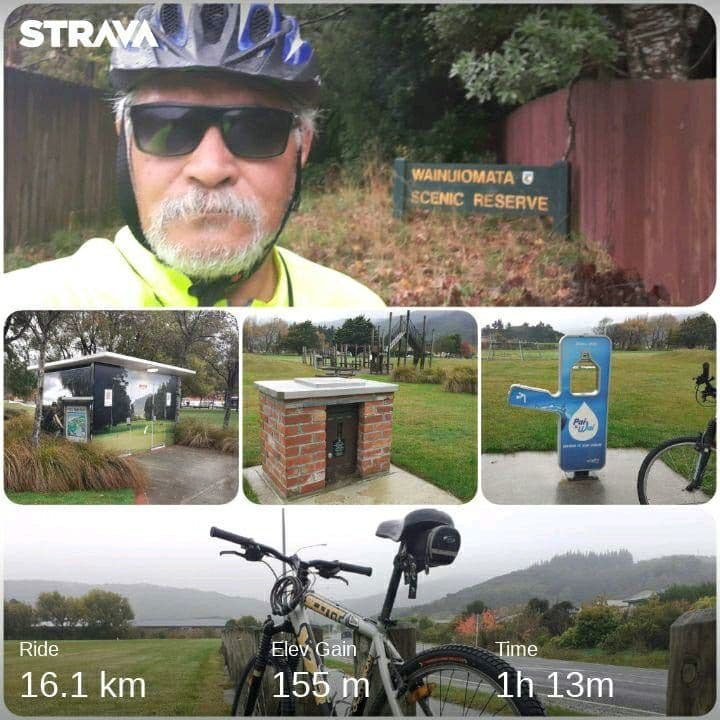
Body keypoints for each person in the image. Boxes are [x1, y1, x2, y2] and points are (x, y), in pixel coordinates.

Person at [5, 3, 385, 308]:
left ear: (303, 147)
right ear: (126, 139)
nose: (210, 168)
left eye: (255, 130)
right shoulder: (21, 302)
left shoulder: (359, 307)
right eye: (167, 127)